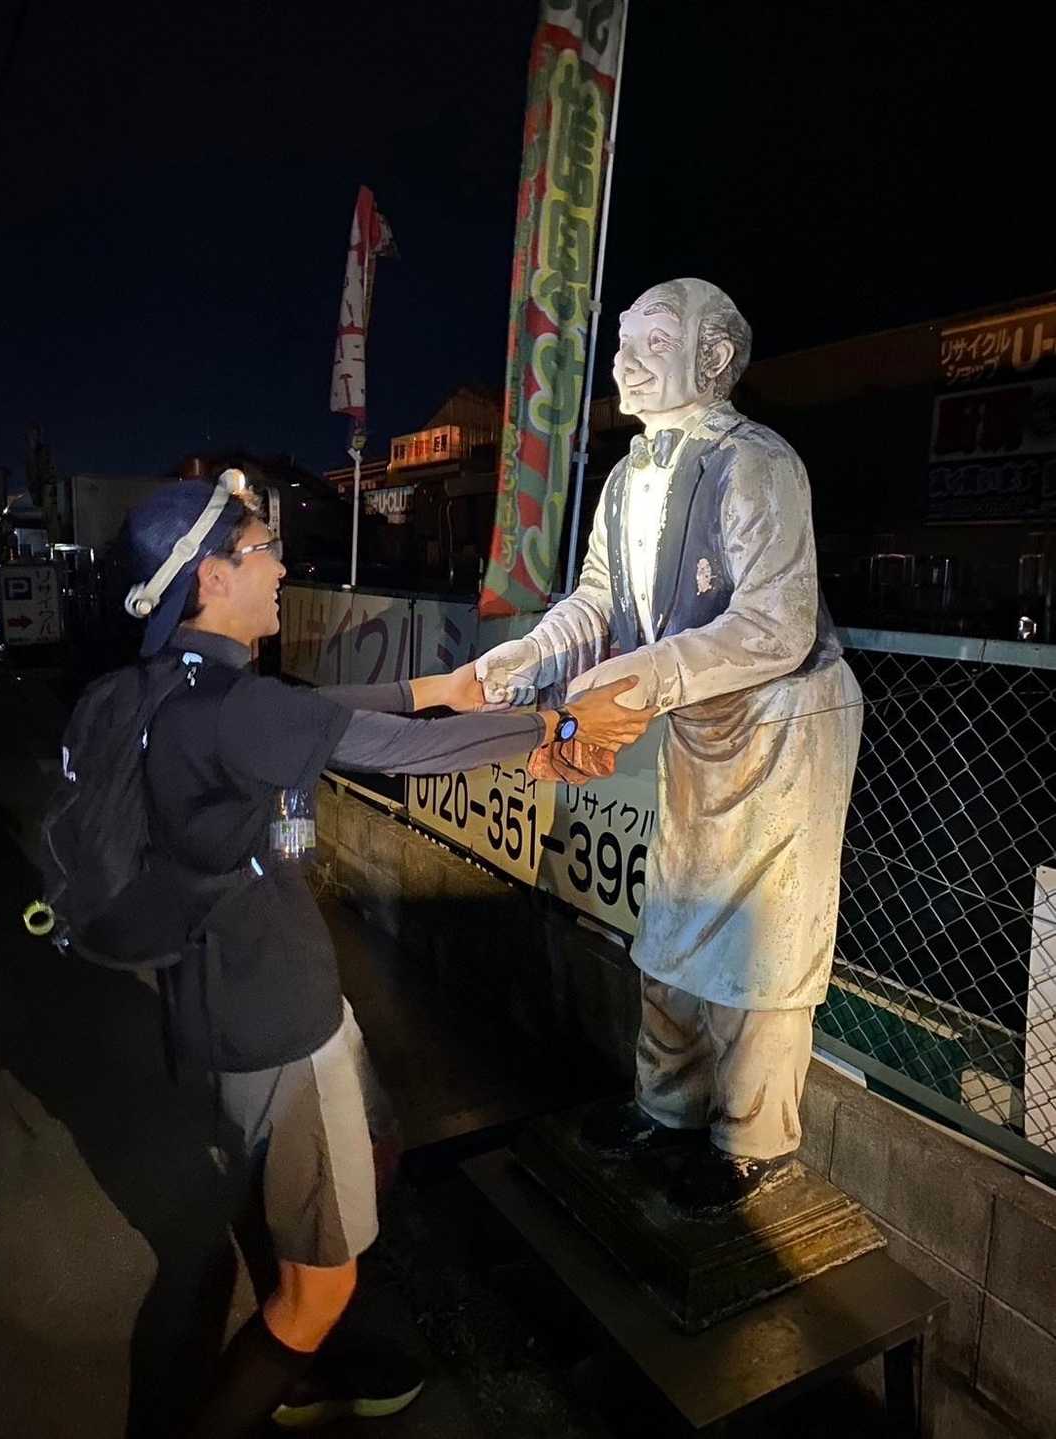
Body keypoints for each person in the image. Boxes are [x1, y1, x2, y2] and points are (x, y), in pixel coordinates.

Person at [120, 474, 655, 1438]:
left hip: (215, 1002)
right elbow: (392, 750)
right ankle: (283, 1366)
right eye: (263, 548)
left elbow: (314, 711)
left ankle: (304, 1369)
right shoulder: (232, 711)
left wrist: (438, 689)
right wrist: (558, 724)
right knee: (317, 1289)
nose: (283, 565)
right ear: (211, 576)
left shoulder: (179, 686)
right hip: (281, 1024)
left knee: (356, 1159)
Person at [476, 279, 863, 1209]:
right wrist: (531, 653)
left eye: (653, 340)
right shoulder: (625, 477)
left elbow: (776, 625)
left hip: (783, 725)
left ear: (715, 358)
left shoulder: (757, 461)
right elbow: (598, 599)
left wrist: (642, 675)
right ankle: (666, 1104)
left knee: (763, 939)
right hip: (697, 719)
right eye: (623, 341)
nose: (625, 361)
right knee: (673, 915)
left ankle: (749, 1137)